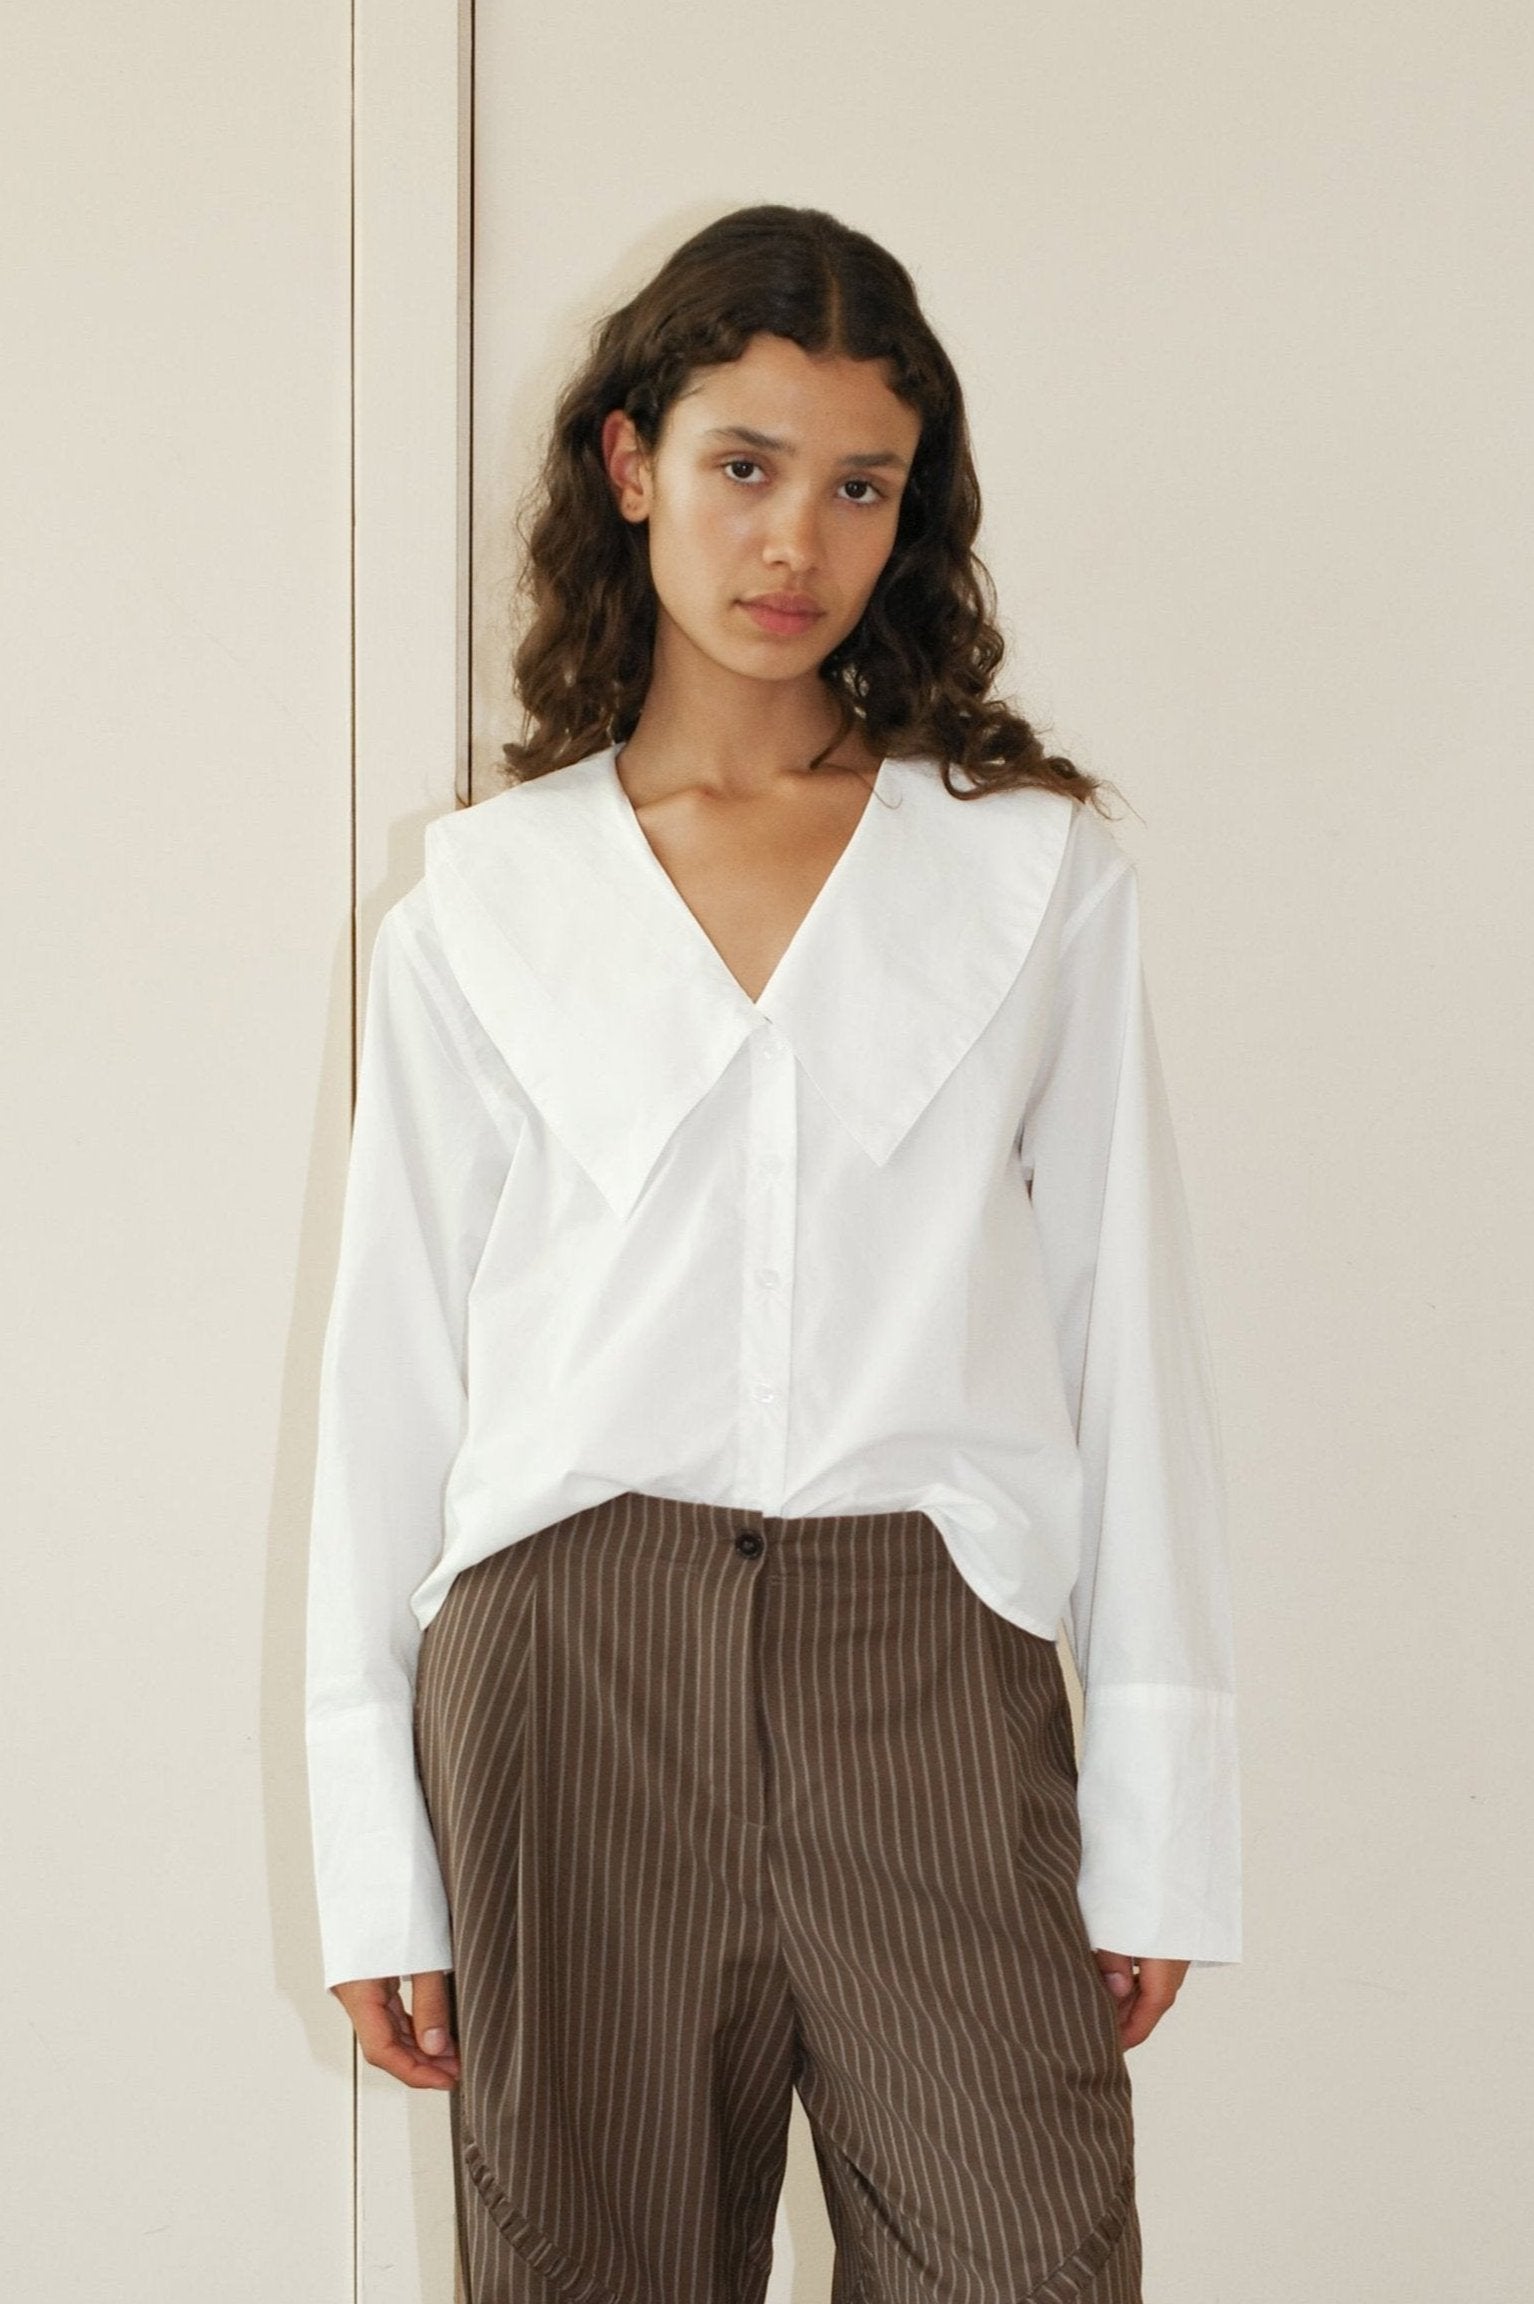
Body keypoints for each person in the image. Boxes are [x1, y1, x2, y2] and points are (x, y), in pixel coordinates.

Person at [305, 203, 1241, 2304]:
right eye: (742, 464)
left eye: (855, 487)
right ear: (630, 463)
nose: (789, 543)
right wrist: (380, 1860)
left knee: (1025, 2260)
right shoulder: (476, 908)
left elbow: (1121, 1338)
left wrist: (1159, 1810)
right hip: (569, 1663)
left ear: (909, 517)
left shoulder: (1024, 877)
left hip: (927, 1653)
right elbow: (389, 1393)